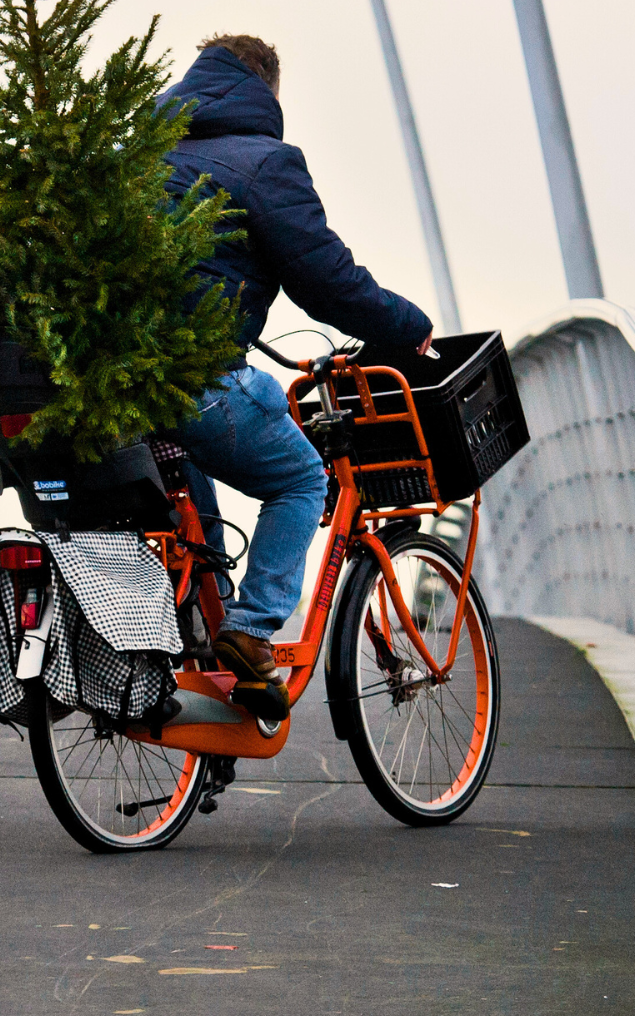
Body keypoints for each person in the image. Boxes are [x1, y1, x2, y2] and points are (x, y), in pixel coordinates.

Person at [159, 35, 434, 722]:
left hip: (114, 387)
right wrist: (407, 326)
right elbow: (327, 279)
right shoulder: (265, 162)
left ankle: (204, 691)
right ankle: (250, 631)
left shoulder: (141, 159)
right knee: (301, 476)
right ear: (266, 92)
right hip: (199, 380)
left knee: (196, 532)